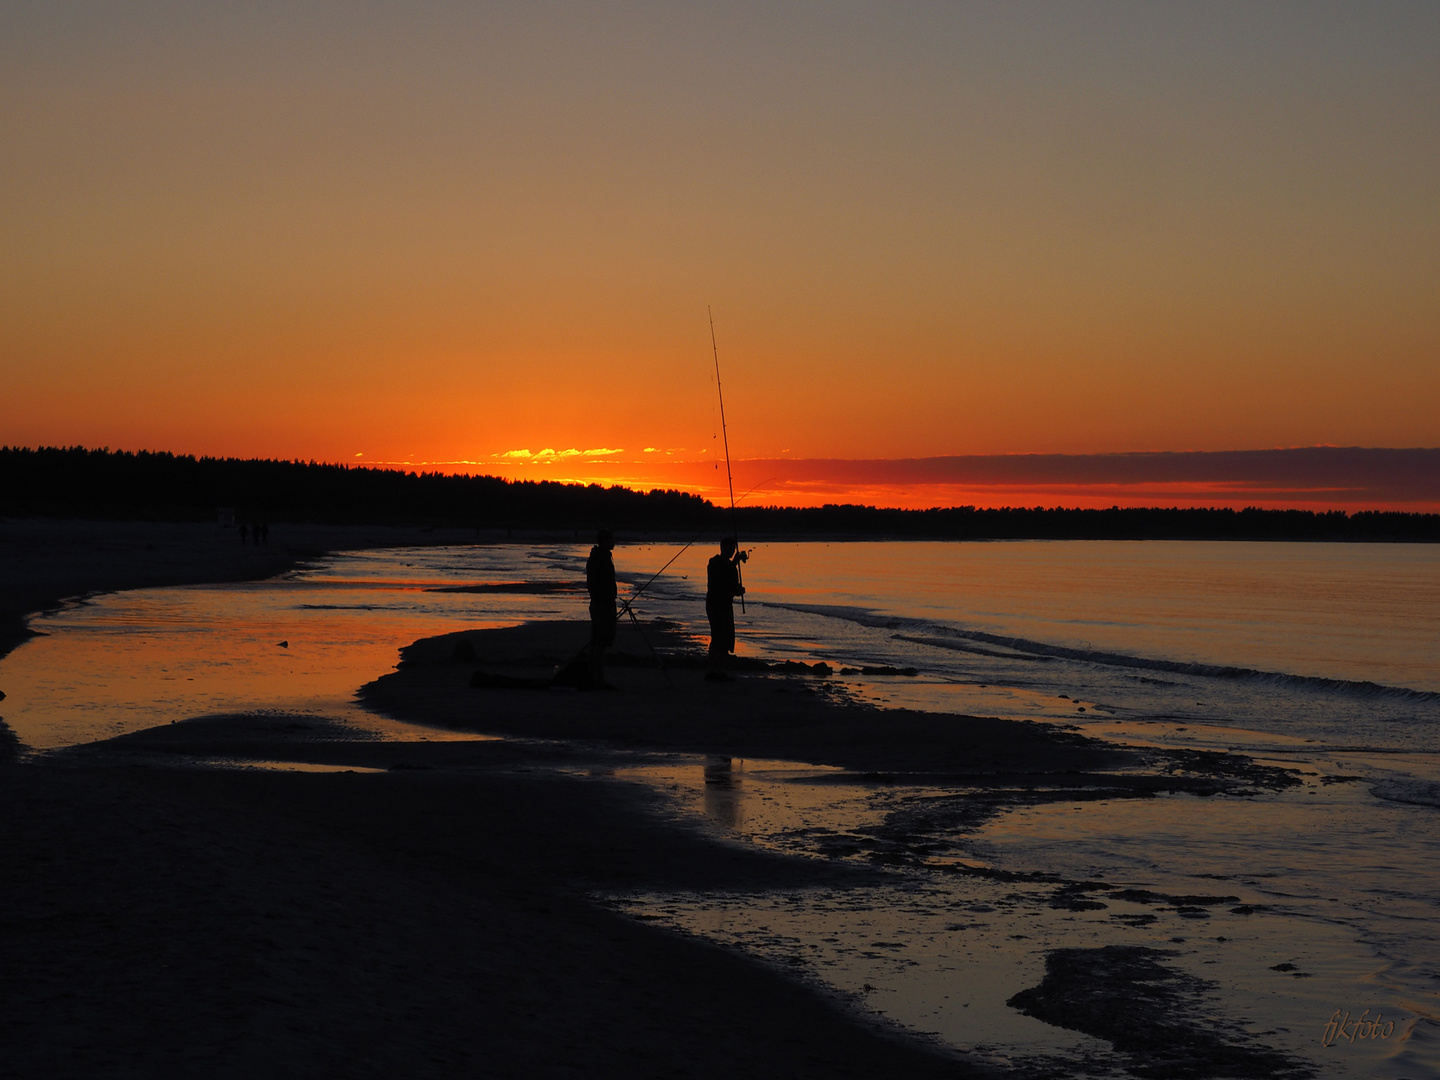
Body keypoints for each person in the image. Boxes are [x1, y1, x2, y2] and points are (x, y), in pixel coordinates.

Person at [705, 536, 746, 681]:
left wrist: (739, 590)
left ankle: (720, 671)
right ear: (723, 548)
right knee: (717, 637)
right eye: (730, 548)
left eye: (734, 548)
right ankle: (711, 671)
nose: (732, 550)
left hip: (726, 605)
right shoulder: (714, 563)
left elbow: (732, 587)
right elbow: (719, 579)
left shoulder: (732, 568)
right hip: (715, 604)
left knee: (726, 637)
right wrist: (734, 562)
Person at [586, 529, 617, 688]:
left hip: (600, 603)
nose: (614, 542)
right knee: (600, 642)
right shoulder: (601, 558)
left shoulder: (598, 557)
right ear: (604, 540)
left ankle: (594, 676)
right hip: (602, 604)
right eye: (611, 539)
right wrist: (608, 599)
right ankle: (599, 679)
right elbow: (600, 584)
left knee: (597, 640)